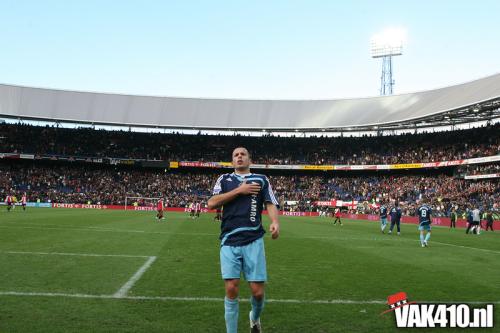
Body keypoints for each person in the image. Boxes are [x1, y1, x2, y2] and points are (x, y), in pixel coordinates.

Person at [207, 147, 280, 333]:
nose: (239, 157)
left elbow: (270, 203)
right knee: (231, 288)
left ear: (249, 159)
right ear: (232, 161)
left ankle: (254, 318)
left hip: (254, 239)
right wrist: (240, 190)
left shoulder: (261, 179)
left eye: (243, 154)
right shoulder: (224, 179)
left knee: (258, 292)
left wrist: (275, 222)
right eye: (236, 155)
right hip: (229, 240)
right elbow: (211, 203)